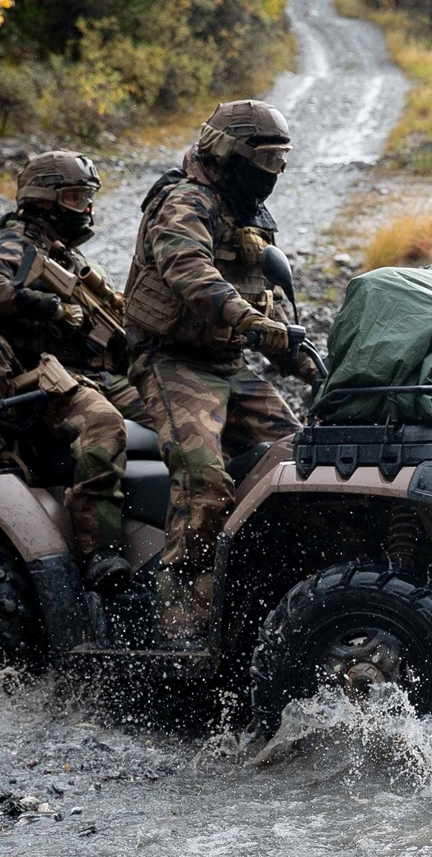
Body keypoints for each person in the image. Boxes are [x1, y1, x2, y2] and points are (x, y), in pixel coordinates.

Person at [124, 100, 303, 645]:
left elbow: (263, 297)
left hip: (228, 364)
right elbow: (190, 272)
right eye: (265, 159)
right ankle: (180, 619)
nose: (273, 173)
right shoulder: (184, 202)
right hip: (172, 361)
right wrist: (251, 323)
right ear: (231, 155)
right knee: (203, 481)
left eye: (281, 161)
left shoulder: (243, 209)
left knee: (302, 460)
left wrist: (302, 354)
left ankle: (258, 586)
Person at [0, 150, 132, 592]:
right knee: (102, 426)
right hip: (37, 376)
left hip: (91, 372)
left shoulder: (69, 258)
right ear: (44, 201)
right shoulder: (13, 243)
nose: (88, 208)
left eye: (88, 197)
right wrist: (49, 307)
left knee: (174, 414)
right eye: (77, 197)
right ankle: (102, 549)